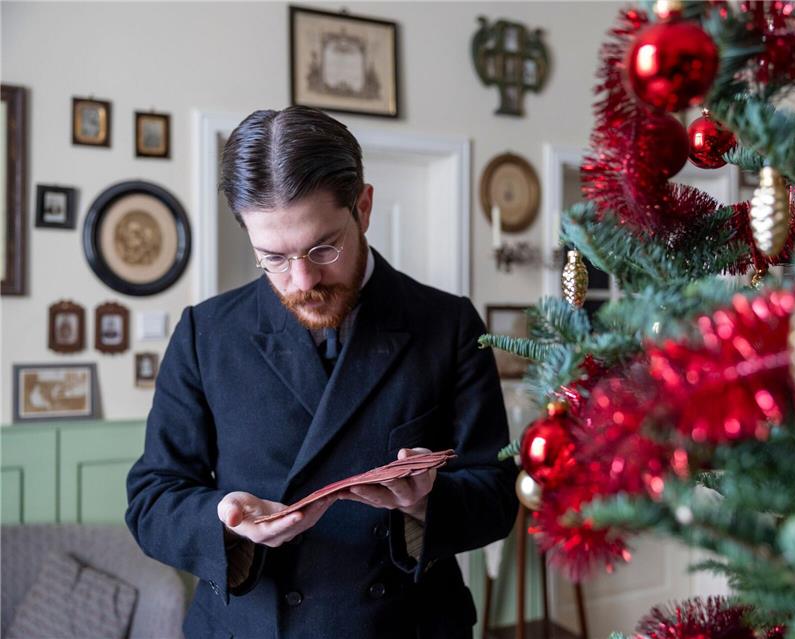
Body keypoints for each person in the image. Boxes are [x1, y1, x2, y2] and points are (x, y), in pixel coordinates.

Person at [126, 106, 518, 639]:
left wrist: (424, 503)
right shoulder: (206, 333)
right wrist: (224, 521)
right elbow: (152, 499)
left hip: (406, 625)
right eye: (274, 257)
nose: (303, 279)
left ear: (364, 206)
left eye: (322, 247)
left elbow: (496, 495)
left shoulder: (447, 324)